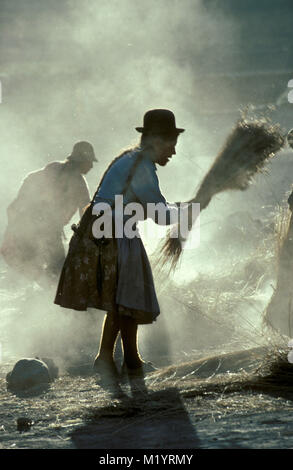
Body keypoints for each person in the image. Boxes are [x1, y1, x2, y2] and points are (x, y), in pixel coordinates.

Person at [54, 109, 185, 380]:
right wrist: (186, 211)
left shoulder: (131, 159)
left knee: (120, 299)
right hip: (112, 232)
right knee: (128, 297)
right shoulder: (141, 166)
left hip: (109, 230)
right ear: (157, 141)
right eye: (171, 143)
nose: (173, 152)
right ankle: (132, 363)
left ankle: (107, 358)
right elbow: (160, 214)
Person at [1, 141, 97, 283]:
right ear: (81, 161)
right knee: (55, 272)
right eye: (89, 162)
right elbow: (86, 212)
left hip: (35, 229)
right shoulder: (75, 182)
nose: (91, 166)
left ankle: (43, 290)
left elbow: (86, 211)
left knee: (46, 271)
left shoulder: (45, 174)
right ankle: (47, 291)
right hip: (37, 229)